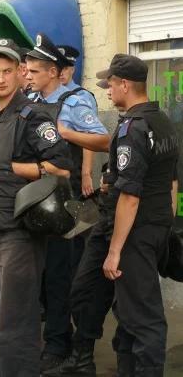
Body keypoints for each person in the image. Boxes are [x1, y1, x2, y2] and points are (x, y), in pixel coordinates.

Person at [0, 38, 72, 376]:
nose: (1, 79)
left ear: (20, 73)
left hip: (18, 234)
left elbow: (61, 167)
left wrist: (24, 169)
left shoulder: (32, 118)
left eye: (7, 72)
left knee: (15, 325)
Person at [24, 33, 110, 373]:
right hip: (35, 202)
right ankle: (48, 337)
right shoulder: (29, 100)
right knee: (41, 277)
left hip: (66, 205)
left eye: (33, 70)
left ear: (52, 71)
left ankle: (60, 344)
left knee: (62, 277)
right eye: (27, 70)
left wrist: (67, 133)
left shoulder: (75, 101)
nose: (27, 75)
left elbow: (104, 139)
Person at [99, 54, 177, 376]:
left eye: (111, 84)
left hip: (137, 231)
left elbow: (130, 197)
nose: (107, 90)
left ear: (125, 85)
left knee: (145, 318)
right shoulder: (164, 120)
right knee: (130, 311)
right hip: (157, 225)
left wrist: (115, 251)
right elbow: (171, 181)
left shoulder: (134, 127)